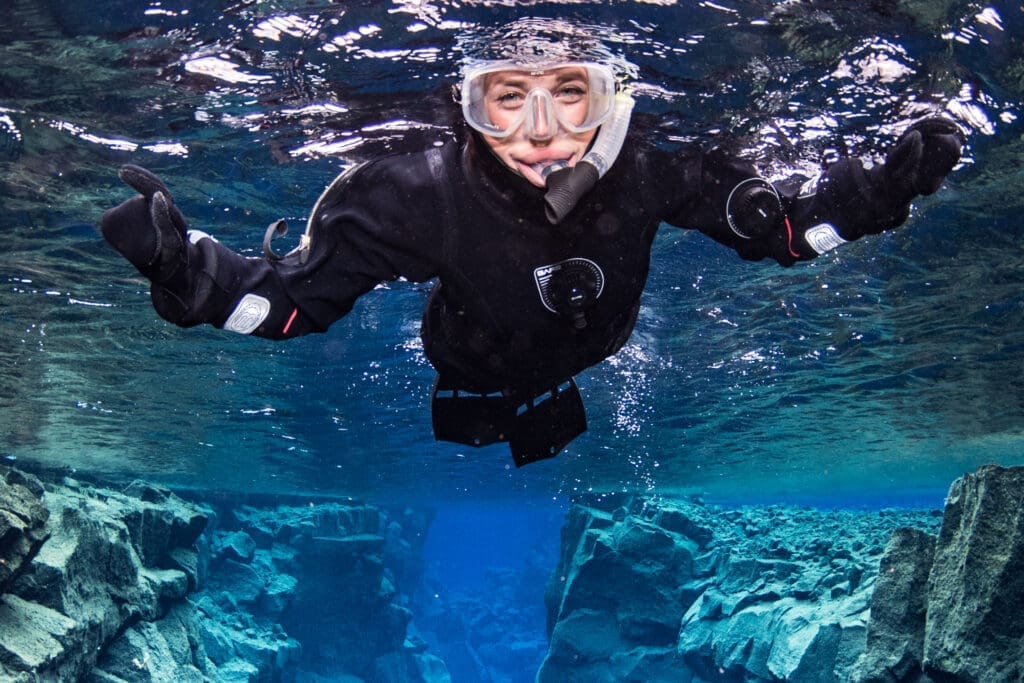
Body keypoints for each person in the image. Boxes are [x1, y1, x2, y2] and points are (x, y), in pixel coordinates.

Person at [99, 43, 963, 467]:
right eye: (507, 98)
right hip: (465, 357)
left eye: (571, 94)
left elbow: (782, 232)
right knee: (480, 396)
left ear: (612, 98)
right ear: (465, 102)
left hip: (598, 344)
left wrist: (874, 194)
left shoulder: (654, 163)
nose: (543, 134)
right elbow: (297, 303)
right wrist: (191, 276)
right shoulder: (416, 194)